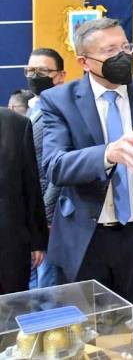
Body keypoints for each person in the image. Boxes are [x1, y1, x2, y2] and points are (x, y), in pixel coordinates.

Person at [41, 18, 133, 358]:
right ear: (84, 61)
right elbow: (55, 165)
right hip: (86, 242)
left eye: (125, 47)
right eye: (110, 50)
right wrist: (106, 154)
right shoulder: (58, 101)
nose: (122, 56)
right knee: (86, 341)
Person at [24, 47, 66, 289]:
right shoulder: (34, 107)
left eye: (42, 71)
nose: (34, 76)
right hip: (31, 211)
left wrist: (46, 218)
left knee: (48, 287)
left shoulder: (62, 109)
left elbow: (58, 168)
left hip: (50, 215)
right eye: (30, 70)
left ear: (60, 76)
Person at [0, 107, 47, 294]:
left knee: (14, 304)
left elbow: (31, 186)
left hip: (11, 245)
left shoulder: (17, 124)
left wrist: (37, 241)